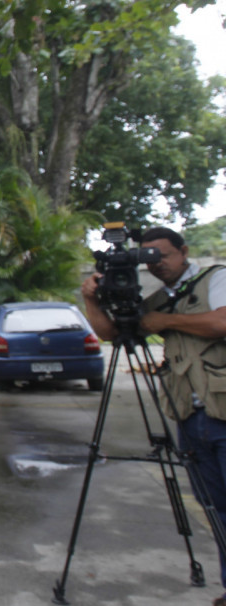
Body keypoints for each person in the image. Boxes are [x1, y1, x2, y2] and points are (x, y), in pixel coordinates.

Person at [81, 227, 226, 606]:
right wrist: (91, 301)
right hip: (188, 415)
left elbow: (221, 323)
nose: (156, 263)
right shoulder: (160, 299)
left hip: (223, 412)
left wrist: (167, 322)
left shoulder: (216, 279)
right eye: (148, 257)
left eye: (162, 255)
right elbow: (113, 333)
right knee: (215, 504)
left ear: (184, 252)